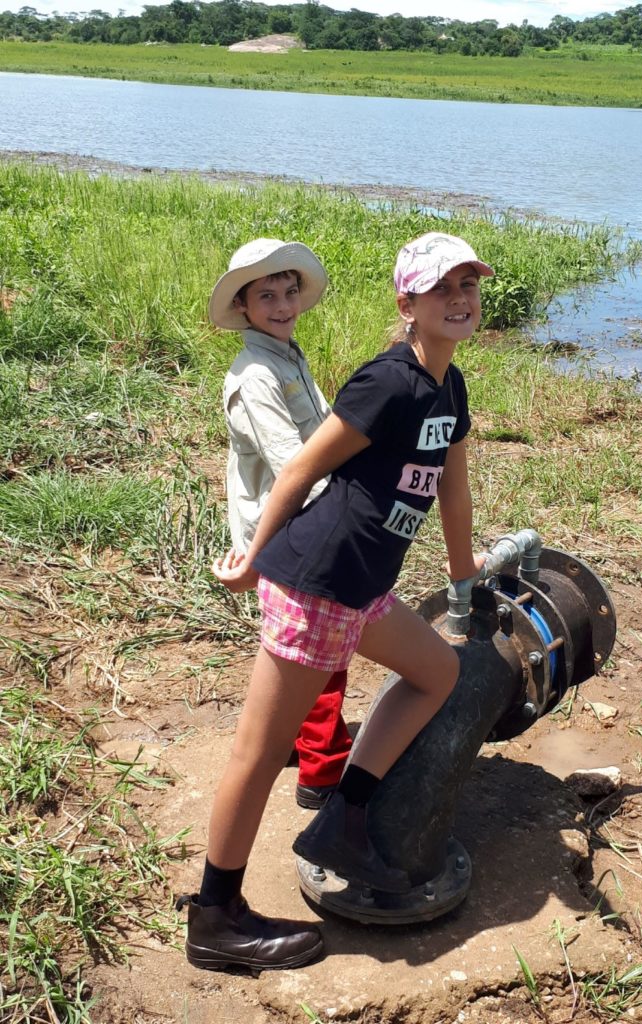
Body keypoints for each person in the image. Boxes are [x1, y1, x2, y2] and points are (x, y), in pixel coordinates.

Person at [177, 231, 493, 973]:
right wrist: (252, 561)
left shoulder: (449, 387)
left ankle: (343, 819)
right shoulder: (386, 380)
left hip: (364, 586)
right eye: (442, 288)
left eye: (469, 287)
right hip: (316, 582)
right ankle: (214, 917)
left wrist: (462, 572)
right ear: (405, 303)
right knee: (257, 757)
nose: (459, 299)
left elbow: (451, 485)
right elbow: (297, 473)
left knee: (436, 674)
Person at [209, 237, 352, 810]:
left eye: (289, 291)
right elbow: (292, 464)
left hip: (300, 520)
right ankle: (322, 772)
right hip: (287, 529)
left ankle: (292, 740)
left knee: (295, 647)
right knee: (319, 647)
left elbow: (318, 437)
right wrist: (342, 511)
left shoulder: (286, 355)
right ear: (243, 306)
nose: (283, 303)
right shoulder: (255, 375)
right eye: (266, 295)